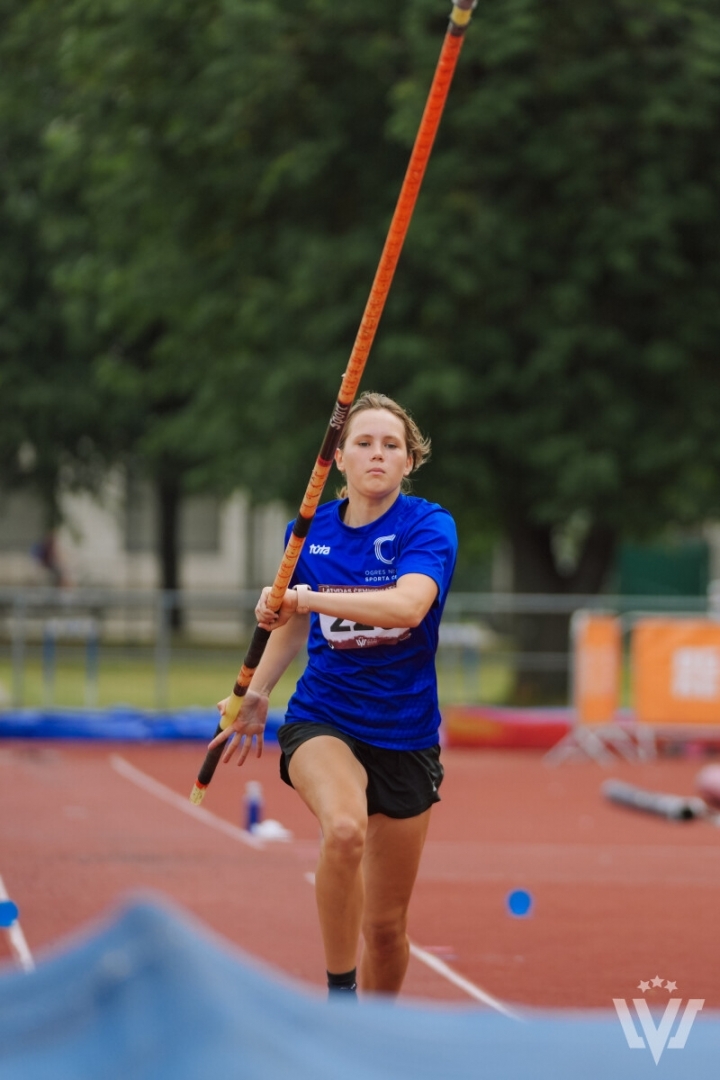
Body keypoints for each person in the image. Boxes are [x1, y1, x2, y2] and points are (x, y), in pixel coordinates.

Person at [211, 392, 458, 998]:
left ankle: (371, 1036)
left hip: (405, 734)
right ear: (339, 459)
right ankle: (338, 996)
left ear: (409, 462)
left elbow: (407, 605)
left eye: (391, 445)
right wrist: (258, 691)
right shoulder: (309, 531)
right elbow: (290, 623)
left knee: (385, 927)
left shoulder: (428, 525)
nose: (378, 454)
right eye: (365, 443)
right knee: (344, 830)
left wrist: (304, 596)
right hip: (326, 719)